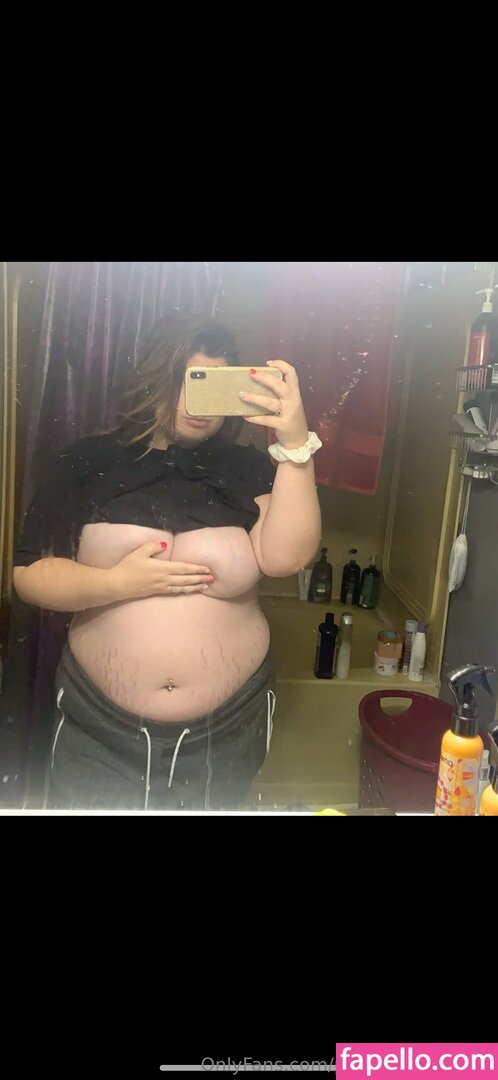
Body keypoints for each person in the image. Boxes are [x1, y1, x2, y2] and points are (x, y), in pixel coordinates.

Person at [13, 311, 322, 810]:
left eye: (213, 386)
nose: (196, 404)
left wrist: (295, 445)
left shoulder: (249, 469)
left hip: (228, 724)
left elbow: (288, 558)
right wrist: (119, 583)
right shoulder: (87, 461)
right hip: (98, 724)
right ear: (156, 375)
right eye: (186, 380)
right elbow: (29, 575)